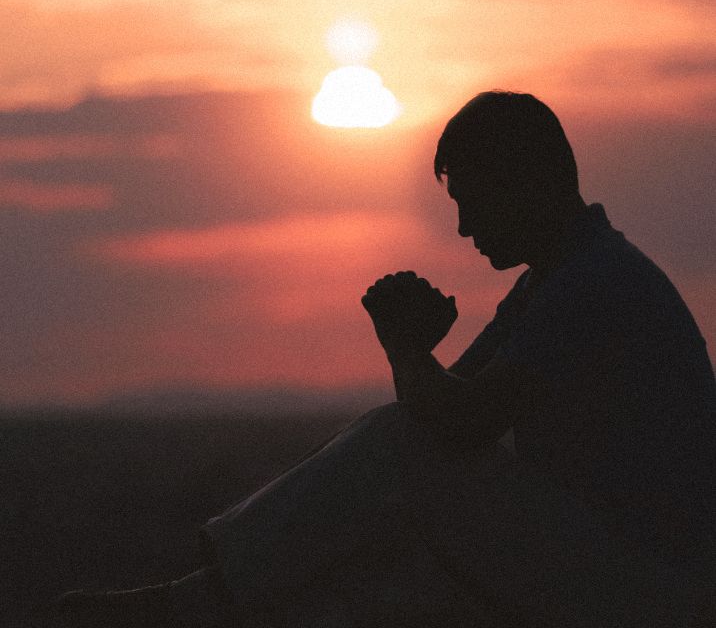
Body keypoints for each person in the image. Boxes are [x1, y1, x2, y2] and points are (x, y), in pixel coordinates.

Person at [42, 91, 715, 628]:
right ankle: (219, 599)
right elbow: (445, 410)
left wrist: (405, 346)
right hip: (616, 571)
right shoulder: (561, 279)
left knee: (394, 449)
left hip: (649, 593)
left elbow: (450, 425)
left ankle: (199, 605)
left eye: (470, 201)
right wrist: (416, 356)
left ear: (522, 181)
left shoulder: (595, 283)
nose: (463, 228)